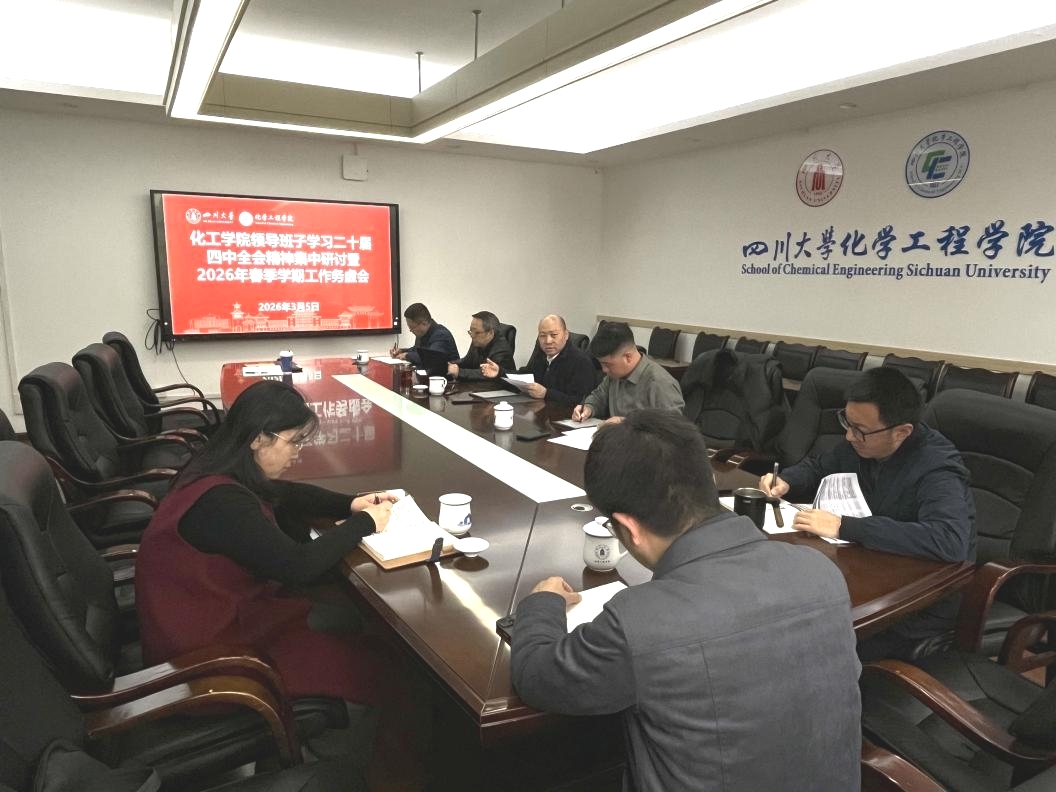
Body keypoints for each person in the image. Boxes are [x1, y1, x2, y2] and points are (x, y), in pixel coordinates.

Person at [510, 410, 861, 791]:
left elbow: (536, 676)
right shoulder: (822, 573)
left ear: (628, 528)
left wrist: (542, 603)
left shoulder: (638, 622)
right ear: (708, 480)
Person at [134, 380, 403, 769]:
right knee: (375, 673)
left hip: (212, 624)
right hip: (211, 658)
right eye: (294, 442)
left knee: (356, 631)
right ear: (260, 438)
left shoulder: (215, 466)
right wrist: (365, 523)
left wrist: (350, 503)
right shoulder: (222, 503)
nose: (297, 453)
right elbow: (299, 565)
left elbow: (283, 494)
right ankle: (343, 770)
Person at [759, 366, 976, 660]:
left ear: (901, 432)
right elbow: (820, 466)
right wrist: (787, 480)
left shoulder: (937, 466)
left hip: (917, 603)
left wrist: (843, 526)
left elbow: (949, 540)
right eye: (847, 423)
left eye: (859, 430)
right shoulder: (863, 442)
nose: (849, 436)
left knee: (807, 644)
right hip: (871, 569)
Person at [571, 321, 684, 423]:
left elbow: (673, 429)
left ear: (628, 357)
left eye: (607, 365)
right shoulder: (614, 376)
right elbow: (599, 397)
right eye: (601, 364)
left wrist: (626, 423)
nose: (604, 370)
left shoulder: (660, 383)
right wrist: (589, 408)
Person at [480, 314, 596, 404]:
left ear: (566, 335)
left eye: (554, 335)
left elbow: (582, 401)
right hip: (539, 414)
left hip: (563, 419)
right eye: (542, 335)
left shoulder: (581, 361)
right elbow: (524, 376)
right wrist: (499, 372)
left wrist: (547, 394)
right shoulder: (541, 354)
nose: (548, 341)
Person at [447, 310, 516, 381]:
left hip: (498, 386)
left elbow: (487, 373)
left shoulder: (501, 350)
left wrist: (459, 372)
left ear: (491, 333)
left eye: (477, 332)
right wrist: (450, 364)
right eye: (471, 331)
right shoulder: (478, 341)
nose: (472, 335)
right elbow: (467, 361)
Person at [389, 302, 459, 365]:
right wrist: (402, 351)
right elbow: (417, 350)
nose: (411, 331)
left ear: (424, 323)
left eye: (412, 327)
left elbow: (430, 358)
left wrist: (406, 355)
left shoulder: (441, 335)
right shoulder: (422, 334)